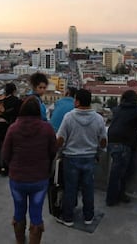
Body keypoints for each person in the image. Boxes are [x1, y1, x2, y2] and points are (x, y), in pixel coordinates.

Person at [2, 96, 57, 244]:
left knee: (19, 212)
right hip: (39, 178)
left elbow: (5, 155)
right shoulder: (47, 128)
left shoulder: (13, 128)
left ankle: (20, 241)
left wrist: (14, 167)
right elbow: (53, 151)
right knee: (36, 213)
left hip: (18, 179)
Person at [56, 89, 107, 227]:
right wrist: (98, 151)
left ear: (77, 101)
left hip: (71, 157)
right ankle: (88, 217)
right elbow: (103, 141)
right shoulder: (98, 118)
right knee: (88, 189)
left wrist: (59, 151)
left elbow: (60, 139)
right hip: (89, 158)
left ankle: (68, 218)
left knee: (70, 189)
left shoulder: (69, 117)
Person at [106, 90, 137, 206]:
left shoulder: (118, 109)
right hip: (124, 143)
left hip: (112, 140)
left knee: (118, 171)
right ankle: (112, 199)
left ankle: (118, 195)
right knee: (119, 173)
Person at [0, 83, 21, 176]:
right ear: (14, 91)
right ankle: (5, 168)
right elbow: (16, 115)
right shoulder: (15, 100)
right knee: (6, 147)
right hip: (4, 125)